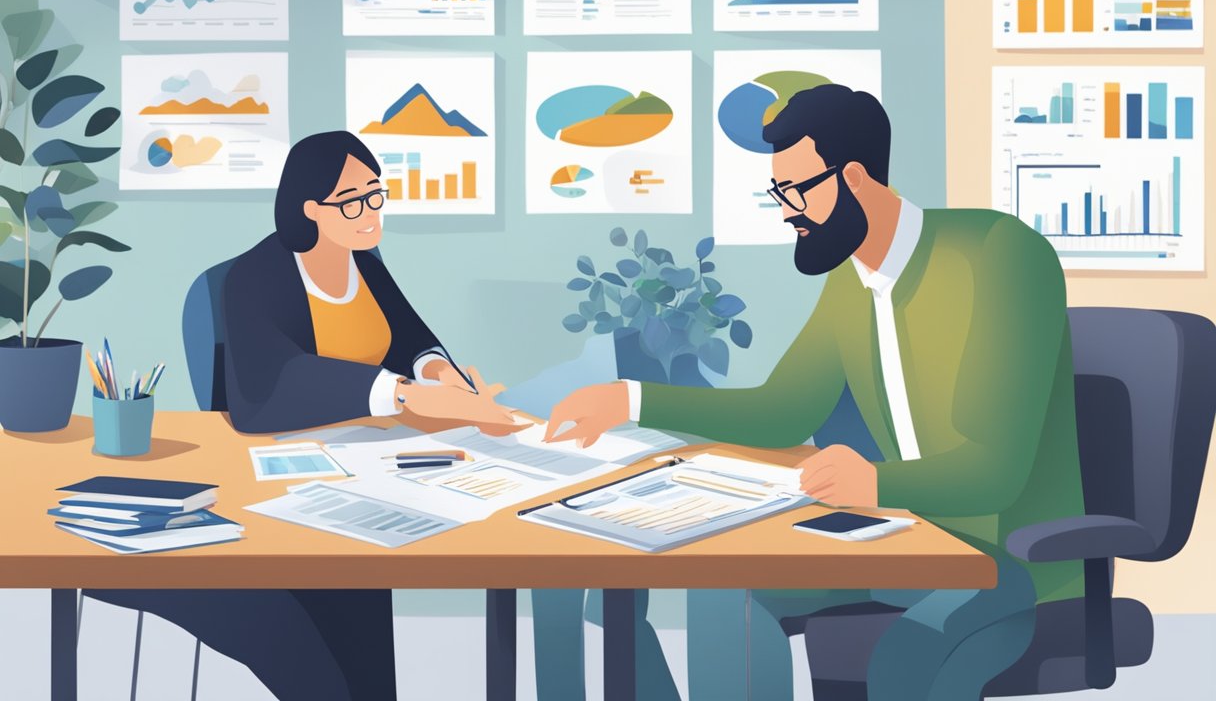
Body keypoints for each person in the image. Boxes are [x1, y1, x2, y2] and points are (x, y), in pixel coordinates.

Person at [543, 84, 1086, 700]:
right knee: (725, 592)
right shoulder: (854, 277)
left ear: (854, 178)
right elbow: (784, 411)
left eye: (797, 191)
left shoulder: (998, 254)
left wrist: (875, 484)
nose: (786, 211)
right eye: (779, 193)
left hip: (1002, 568)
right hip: (901, 535)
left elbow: (995, 471)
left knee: (906, 658)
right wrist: (631, 400)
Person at [88, 131, 519, 700]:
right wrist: (404, 396)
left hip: (369, 474)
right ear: (310, 208)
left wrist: (441, 374)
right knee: (318, 655)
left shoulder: (365, 262)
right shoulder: (255, 277)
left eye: (375, 194)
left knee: (364, 624)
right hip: (285, 483)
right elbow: (269, 390)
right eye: (352, 201)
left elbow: (411, 336)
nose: (369, 213)